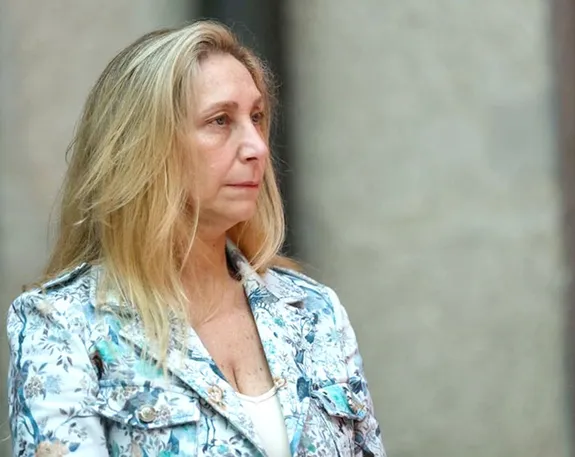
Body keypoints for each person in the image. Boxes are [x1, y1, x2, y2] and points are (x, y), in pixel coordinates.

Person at [6, 20, 385, 457]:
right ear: (144, 147)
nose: (257, 147)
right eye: (220, 120)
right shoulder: (63, 325)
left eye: (256, 117)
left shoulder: (315, 313)